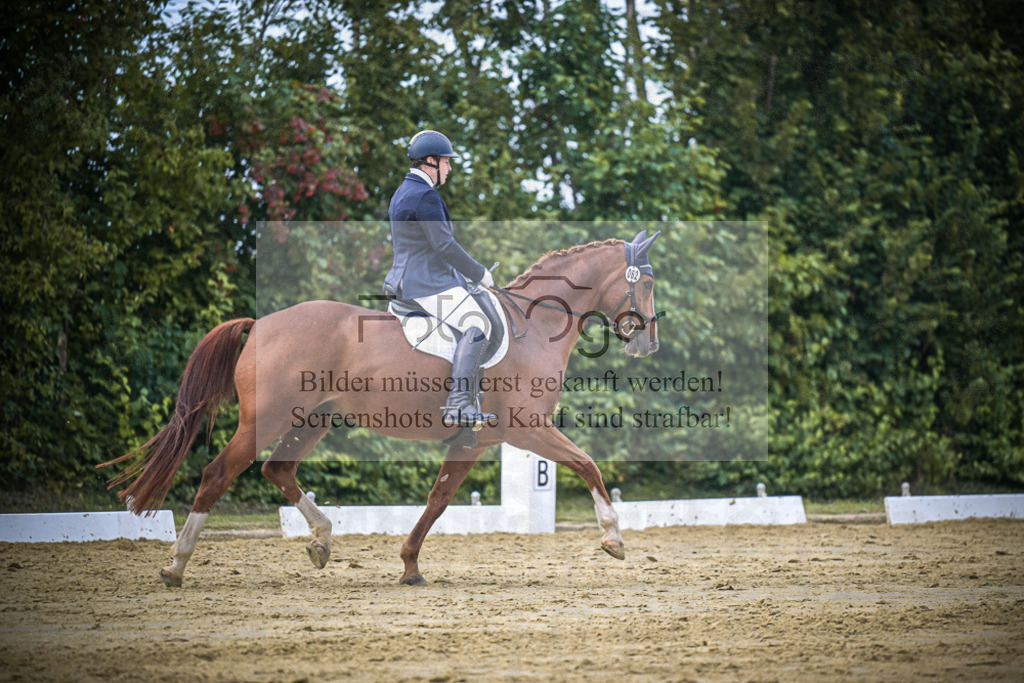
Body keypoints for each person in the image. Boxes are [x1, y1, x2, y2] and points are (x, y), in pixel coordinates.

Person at [383, 130, 497, 430]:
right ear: (430, 162)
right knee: (479, 324)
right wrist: (479, 273)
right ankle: (459, 403)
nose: (450, 168)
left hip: (404, 279)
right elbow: (443, 245)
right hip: (425, 283)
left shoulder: (403, 191)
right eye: (446, 162)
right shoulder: (426, 196)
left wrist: (459, 278)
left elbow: (420, 246)